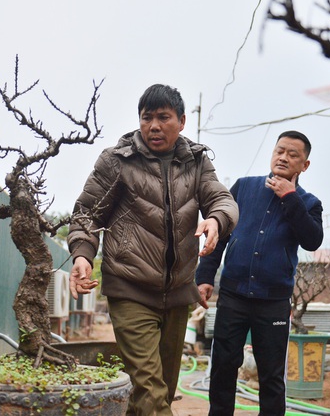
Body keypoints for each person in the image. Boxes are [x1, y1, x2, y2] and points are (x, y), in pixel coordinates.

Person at [66, 84, 239, 415]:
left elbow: (220, 197)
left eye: (163, 117)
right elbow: (87, 213)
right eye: (147, 118)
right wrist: (83, 255)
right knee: (151, 389)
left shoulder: (197, 162)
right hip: (130, 289)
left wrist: (216, 220)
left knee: (155, 393)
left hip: (177, 295)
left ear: (182, 121)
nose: (154, 126)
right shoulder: (118, 161)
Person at [196, 130, 323, 415]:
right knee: (223, 367)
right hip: (233, 296)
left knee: (271, 376)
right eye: (280, 151)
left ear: (305, 165)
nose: (284, 158)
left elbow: (312, 240)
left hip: (273, 303)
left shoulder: (309, 203)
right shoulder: (244, 188)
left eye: (293, 155)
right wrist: (205, 277)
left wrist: (290, 198)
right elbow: (220, 235)